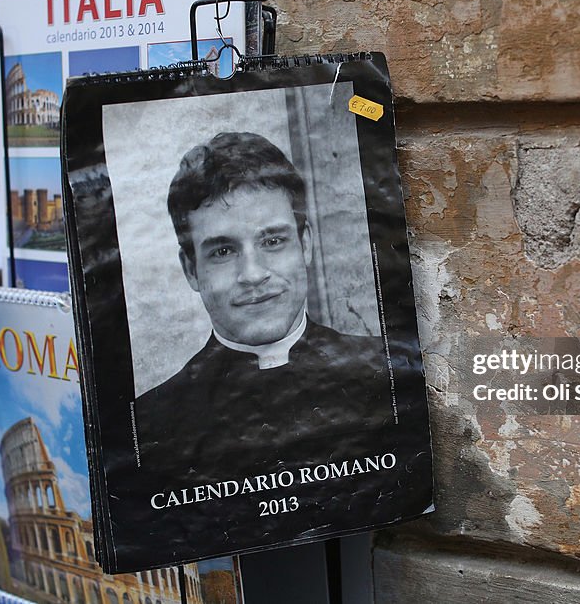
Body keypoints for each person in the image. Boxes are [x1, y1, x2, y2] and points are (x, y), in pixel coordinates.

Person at [133, 132, 393, 494]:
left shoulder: (386, 373)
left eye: (272, 242)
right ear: (191, 270)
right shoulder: (149, 424)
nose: (253, 274)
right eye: (223, 251)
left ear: (305, 245)